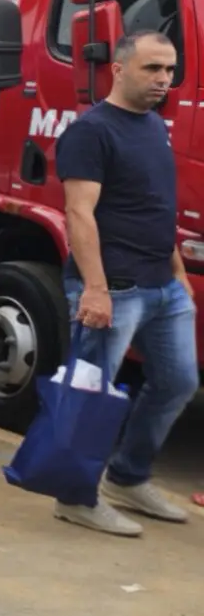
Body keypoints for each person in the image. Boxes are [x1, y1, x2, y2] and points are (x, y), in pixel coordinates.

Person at [53, 29, 197, 536]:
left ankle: (127, 477)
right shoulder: (91, 132)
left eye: (170, 69)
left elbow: (155, 207)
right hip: (114, 288)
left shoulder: (153, 125)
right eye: (152, 68)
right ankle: (75, 497)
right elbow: (79, 213)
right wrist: (95, 289)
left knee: (178, 383)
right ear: (117, 69)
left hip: (163, 286)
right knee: (92, 395)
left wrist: (178, 274)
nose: (164, 79)